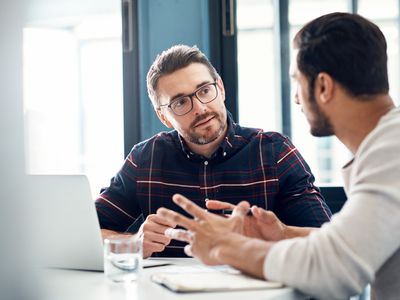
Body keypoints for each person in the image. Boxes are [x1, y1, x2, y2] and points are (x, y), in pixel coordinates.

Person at [157, 12, 400, 299]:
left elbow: (332, 269)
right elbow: (356, 244)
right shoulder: (386, 145)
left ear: (323, 87)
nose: (296, 97)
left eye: (297, 81)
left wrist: (225, 245)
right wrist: (283, 233)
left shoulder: (392, 150)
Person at [95, 44, 331, 258]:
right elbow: (86, 234)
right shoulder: (144, 159)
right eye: (180, 102)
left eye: (205, 90)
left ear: (221, 88)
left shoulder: (275, 152)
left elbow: (327, 242)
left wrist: (278, 233)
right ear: (163, 116)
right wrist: (132, 242)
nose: (200, 108)